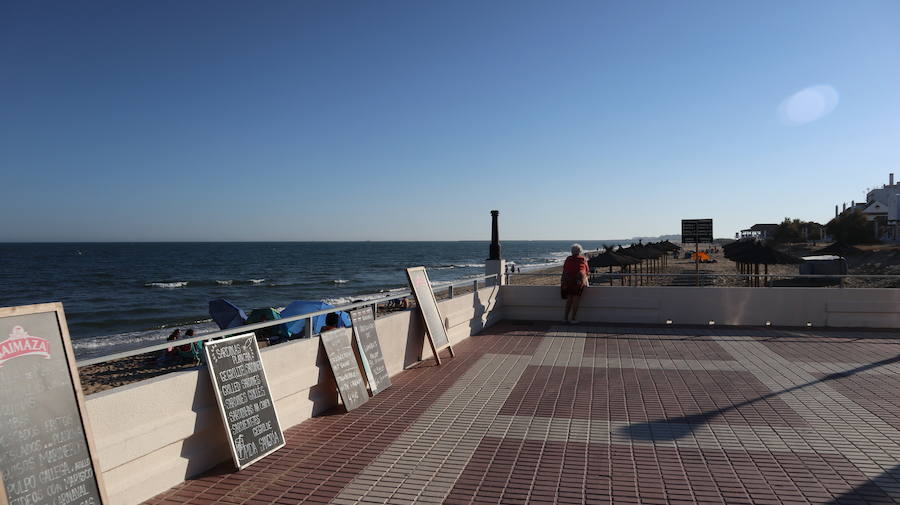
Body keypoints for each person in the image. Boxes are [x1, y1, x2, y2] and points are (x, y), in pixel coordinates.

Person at [561, 243, 589, 323]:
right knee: (576, 300)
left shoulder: (568, 259)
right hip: (577, 281)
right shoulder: (582, 259)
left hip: (568, 281)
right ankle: (573, 319)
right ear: (580, 251)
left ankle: (565, 318)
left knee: (569, 300)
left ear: (572, 251)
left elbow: (565, 269)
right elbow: (586, 270)